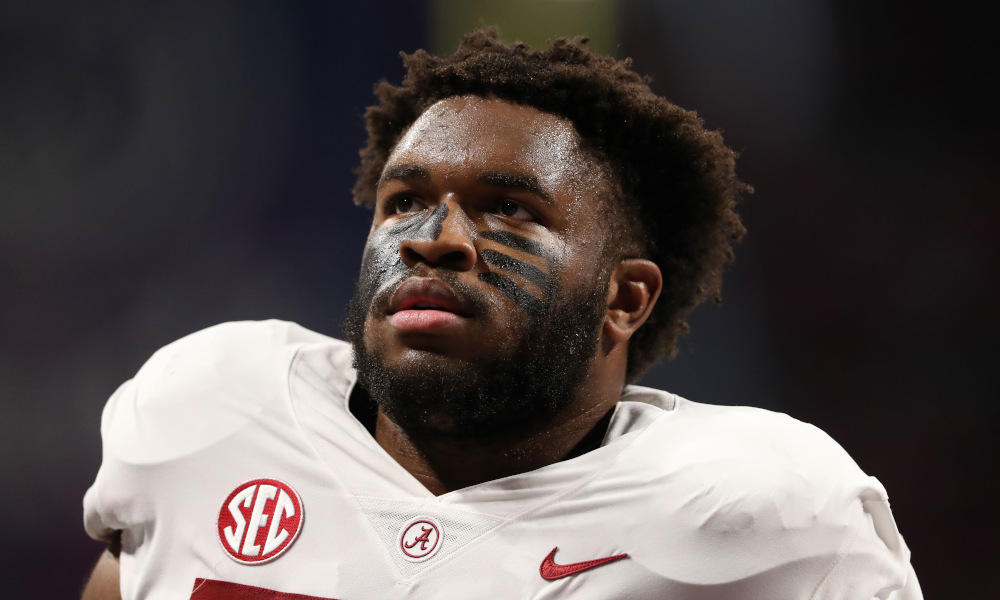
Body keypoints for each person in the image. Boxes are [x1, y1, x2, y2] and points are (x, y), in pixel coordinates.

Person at [81, 29, 921, 599]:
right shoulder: (213, 406)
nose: (433, 240)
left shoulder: (761, 506)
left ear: (624, 298)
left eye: (509, 211)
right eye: (403, 201)